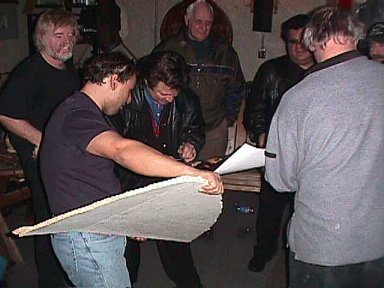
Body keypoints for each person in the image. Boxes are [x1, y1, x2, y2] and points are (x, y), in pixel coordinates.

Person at [39, 51, 223, 288]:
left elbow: (95, 180)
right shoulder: (78, 114)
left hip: (99, 226)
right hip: (87, 237)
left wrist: (127, 220)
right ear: (114, 80)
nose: (128, 99)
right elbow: (122, 150)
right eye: (128, 91)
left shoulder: (81, 109)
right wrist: (191, 172)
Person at [265, 5, 384, 287]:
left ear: (313, 40)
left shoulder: (299, 98)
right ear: (356, 37)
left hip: (323, 248)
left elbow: (280, 180)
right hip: (378, 240)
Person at [108, 51, 205, 288]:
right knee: (127, 248)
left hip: (167, 182)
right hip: (130, 182)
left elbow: (196, 129)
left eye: (174, 94)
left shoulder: (187, 100)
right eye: (163, 94)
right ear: (147, 80)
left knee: (174, 240)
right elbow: (113, 145)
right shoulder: (126, 99)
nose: (170, 99)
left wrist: (191, 144)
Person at [0, 9, 80, 287]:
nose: (67, 41)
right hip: (40, 154)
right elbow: (6, 114)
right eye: (58, 35)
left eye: (70, 34)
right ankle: (50, 281)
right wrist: (44, 141)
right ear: (41, 38)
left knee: (63, 214)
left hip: (62, 153)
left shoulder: (66, 66)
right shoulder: (29, 72)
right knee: (49, 218)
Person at [243, 14, 314, 272]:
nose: (298, 47)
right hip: (278, 153)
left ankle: (303, 254)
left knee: (307, 210)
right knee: (270, 209)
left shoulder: (325, 71)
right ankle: (264, 251)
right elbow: (255, 110)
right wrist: (260, 133)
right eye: (292, 41)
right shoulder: (272, 70)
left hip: (311, 155)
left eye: (303, 41)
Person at [154, 0, 245, 160]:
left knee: (209, 177)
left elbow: (237, 88)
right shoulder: (169, 48)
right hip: (176, 126)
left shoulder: (226, 53)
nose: (204, 28)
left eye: (208, 23)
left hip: (214, 128)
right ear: (187, 20)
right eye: (198, 22)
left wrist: (228, 118)